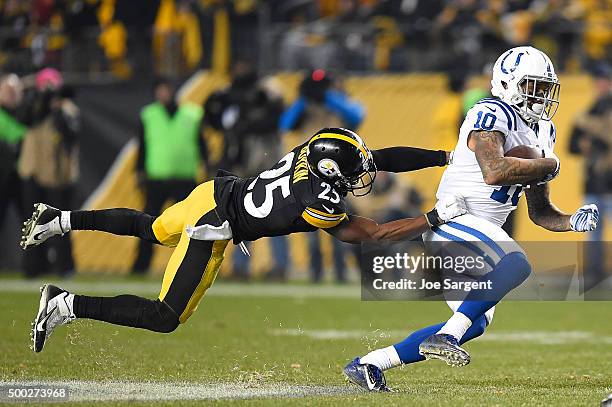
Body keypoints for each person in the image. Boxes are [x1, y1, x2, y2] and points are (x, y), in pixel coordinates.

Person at [23, 127, 460, 353]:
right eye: (351, 176)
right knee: (165, 316)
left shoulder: (317, 149)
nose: (361, 178)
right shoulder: (316, 202)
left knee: (151, 228)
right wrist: (436, 217)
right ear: (330, 177)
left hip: (214, 192)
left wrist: (445, 158)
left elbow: (379, 159)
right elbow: (377, 233)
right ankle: (66, 304)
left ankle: (59, 219)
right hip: (214, 224)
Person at [344, 46, 600, 392]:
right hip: (452, 220)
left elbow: (540, 212)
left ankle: (371, 363)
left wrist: (571, 221)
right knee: (517, 264)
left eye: (544, 87)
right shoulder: (491, 111)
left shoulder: (544, 131)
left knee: (475, 322)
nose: (540, 95)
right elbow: (494, 172)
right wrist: (550, 165)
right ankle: (445, 336)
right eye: (532, 86)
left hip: (481, 234)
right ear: (509, 84)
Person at [204, 62, 287, 280]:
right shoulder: (233, 95)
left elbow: (275, 114)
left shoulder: (267, 89)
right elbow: (218, 121)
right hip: (246, 162)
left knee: (276, 213)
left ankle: (279, 266)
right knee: (242, 213)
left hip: (269, 161)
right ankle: (241, 266)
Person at [280, 69, 365, 282]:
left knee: (337, 219)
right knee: (310, 223)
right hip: (310, 170)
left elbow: (357, 115)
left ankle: (340, 272)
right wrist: (303, 99)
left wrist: (326, 96)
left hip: (337, 171)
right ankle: (316, 273)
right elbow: (285, 124)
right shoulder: (305, 107)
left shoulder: (341, 103)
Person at [132, 77, 207, 274]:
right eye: (159, 90)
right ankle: (141, 266)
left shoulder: (192, 114)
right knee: (149, 223)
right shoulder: (149, 115)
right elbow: (142, 146)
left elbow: (201, 144)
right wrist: (139, 171)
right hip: (157, 177)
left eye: (165, 89)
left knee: (190, 225)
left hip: (185, 178)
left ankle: (192, 266)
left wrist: (206, 165)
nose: (163, 94)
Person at [18, 68, 79, 278]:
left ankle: (65, 266)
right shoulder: (34, 105)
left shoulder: (67, 108)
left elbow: (71, 135)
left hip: (57, 174)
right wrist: (44, 102)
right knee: (33, 221)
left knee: (60, 222)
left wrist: (57, 109)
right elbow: (26, 119)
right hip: (33, 171)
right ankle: (33, 267)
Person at [568, 63, 612, 287]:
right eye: (598, 81)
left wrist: (590, 128)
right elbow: (572, 145)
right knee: (592, 233)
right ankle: (595, 277)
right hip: (593, 184)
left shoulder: (588, 116)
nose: (601, 85)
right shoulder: (589, 110)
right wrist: (582, 144)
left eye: (605, 81)